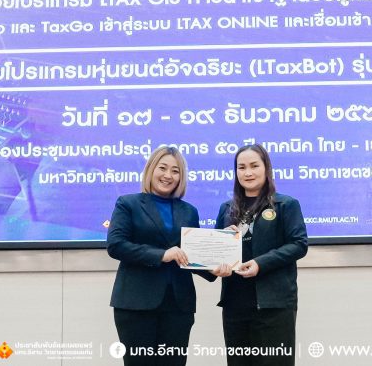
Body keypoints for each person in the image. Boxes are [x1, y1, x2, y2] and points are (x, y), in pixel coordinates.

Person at [107, 146, 215, 365]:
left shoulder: (189, 211)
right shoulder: (128, 203)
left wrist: (216, 267)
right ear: (151, 169)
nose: (168, 175)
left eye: (175, 171)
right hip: (136, 304)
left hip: (178, 306)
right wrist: (161, 255)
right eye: (163, 168)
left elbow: (192, 255)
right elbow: (116, 245)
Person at [215, 144, 308, 365]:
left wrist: (260, 263)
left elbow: (298, 244)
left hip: (273, 306)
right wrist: (217, 257)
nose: (248, 172)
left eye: (254, 166)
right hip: (235, 306)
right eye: (241, 167)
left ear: (266, 168)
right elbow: (215, 254)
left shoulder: (285, 204)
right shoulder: (226, 209)